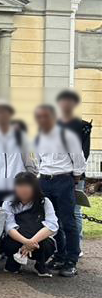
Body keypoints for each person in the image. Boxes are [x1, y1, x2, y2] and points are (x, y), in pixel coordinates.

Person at [33, 104, 85, 277]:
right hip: (45, 180)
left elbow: (78, 160)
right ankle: (59, 255)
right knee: (51, 221)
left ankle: (71, 260)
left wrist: (74, 178)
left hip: (63, 179)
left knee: (68, 222)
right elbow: (40, 159)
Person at [56, 89, 92, 257]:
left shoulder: (82, 126)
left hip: (75, 176)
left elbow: (84, 153)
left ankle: (76, 247)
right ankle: (60, 248)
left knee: (75, 213)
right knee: (57, 214)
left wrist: (74, 174)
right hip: (56, 177)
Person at [1, 172, 58, 277]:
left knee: (47, 245)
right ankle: (13, 261)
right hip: (18, 238)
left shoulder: (44, 202)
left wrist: (31, 242)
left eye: (27, 186)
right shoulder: (8, 202)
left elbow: (52, 225)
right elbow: (9, 226)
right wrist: (26, 242)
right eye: (20, 186)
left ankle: (40, 263)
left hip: (38, 240)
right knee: (9, 243)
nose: (23, 190)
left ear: (34, 187)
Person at [0, 101, 35, 204]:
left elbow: (29, 162)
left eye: (4, 113)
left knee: (16, 218)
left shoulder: (19, 136)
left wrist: (29, 183)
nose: (1, 116)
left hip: (16, 188)